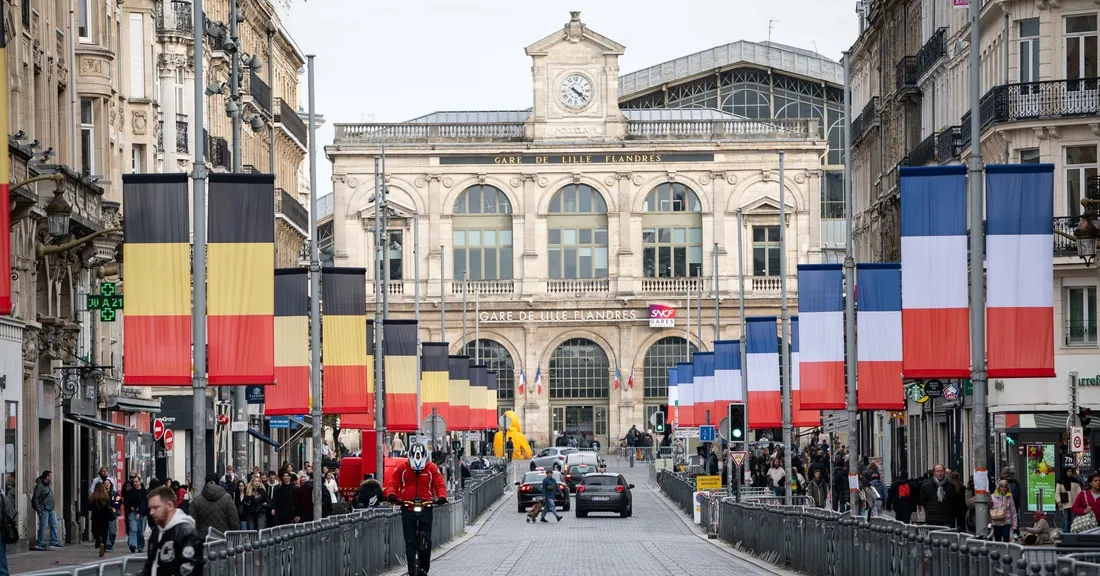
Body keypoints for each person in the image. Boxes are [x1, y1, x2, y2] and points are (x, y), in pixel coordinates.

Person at [384, 443, 447, 576]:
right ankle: (411, 567)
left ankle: (424, 568)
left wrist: (441, 497)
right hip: (407, 507)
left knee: (427, 539)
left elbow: (439, 484)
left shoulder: (432, 468)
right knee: (409, 541)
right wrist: (392, 495)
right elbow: (392, 483)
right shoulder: (402, 468)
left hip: (426, 506)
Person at [142, 485, 202, 576]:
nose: (151, 512)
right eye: (150, 508)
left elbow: (189, 569)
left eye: (156, 508)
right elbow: (150, 565)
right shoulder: (157, 531)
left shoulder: (186, 532)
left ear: (169, 505)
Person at [190, 474, 239, 540]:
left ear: (205, 482)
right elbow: (233, 520)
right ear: (218, 482)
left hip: (203, 538)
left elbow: (192, 523)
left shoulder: (197, 500)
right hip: (222, 537)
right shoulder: (227, 498)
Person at [32, 470, 61, 551]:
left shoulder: (47, 485)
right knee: (43, 526)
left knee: (54, 524)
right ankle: (40, 542)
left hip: (51, 508)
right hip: (44, 509)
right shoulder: (40, 486)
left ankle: (54, 542)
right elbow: (35, 498)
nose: (52, 477)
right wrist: (39, 510)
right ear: (47, 477)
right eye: (50, 476)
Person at [123, 474, 148, 553]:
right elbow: (126, 502)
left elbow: (146, 503)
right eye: (134, 482)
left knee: (141, 532)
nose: (135, 483)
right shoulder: (130, 492)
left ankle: (140, 546)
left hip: (142, 514)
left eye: (137, 481)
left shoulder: (144, 492)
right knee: (133, 529)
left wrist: (141, 510)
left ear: (140, 482)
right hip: (133, 513)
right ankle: (133, 544)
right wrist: (131, 507)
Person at [90, 482, 112, 556]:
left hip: (95, 517)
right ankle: (103, 544)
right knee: (104, 533)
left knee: (96, 532)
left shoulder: (93, 496)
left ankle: (98, 542)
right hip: (105, 517)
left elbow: (89, 506)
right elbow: (109, 505)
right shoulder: (106, 496)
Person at [1058, 466, 1083, 532]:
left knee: (1073, 519)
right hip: (1065, 503)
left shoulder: (1075, 481)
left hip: (1074, 503)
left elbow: (1079, 492)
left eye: (1071, 471)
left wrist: (1080, 502)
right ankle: (1065, 533)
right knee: (1065, 518)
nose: (1070, 473)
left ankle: (1072, 532)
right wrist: (1059, 501)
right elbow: (1057, 492)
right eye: (1068, 471)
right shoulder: (1060, 481)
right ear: (1065, 472)